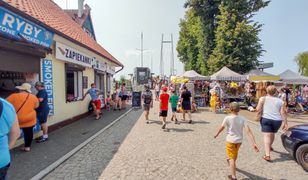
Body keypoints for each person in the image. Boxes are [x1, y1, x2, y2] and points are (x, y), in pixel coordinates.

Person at [214, 102, 259, 180]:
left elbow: (222, 127)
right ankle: (232, 163)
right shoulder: (243, 118)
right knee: (234, 155)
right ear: (239, 109)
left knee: (232, 158)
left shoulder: (227, 118)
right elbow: (248, 131)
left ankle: (233, 176)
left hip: (230, 140)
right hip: (239, 141)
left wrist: (217, 134)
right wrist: (254, 143)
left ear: (230, 109)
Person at [256, 85, 288, 162]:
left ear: (266, 91)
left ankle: (267, 155)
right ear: (275, 92)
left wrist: (251, 108)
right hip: (277, 121)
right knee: (273, 133)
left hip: (266, 119)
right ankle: (270, 146)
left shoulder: (262, 98)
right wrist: (285, 123)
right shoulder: (280, 101)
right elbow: (283, 112)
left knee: (267, 136)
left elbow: (258, 109)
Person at [6, 83, 39, 152]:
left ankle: (8, 147)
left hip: (17, 119)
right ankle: (27, 147)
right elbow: (36, 106)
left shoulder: (13, 96)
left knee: (13, 132)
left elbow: (5, 105)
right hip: (30, 119)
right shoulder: (33, 97)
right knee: (29, 133)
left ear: (21, 89)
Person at [0, 98, 20, 179]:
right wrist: (7, 148)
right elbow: (16, 133)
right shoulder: (7, 105)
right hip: (2, 159)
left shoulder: (13, 97)